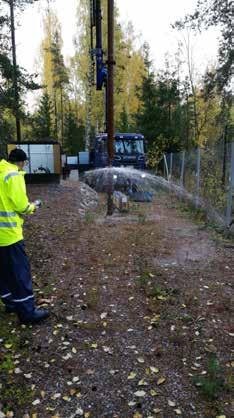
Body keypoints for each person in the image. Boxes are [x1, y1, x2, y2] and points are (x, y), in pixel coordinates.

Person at [0, 148, 49, 324]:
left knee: (3, 272)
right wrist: (34, 206)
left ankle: (10, 303)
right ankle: (27, 313)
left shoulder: (1, 171)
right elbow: (21, 206)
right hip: (9, 235)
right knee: (20, 274)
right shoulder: (13, 175)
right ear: (21, 162)